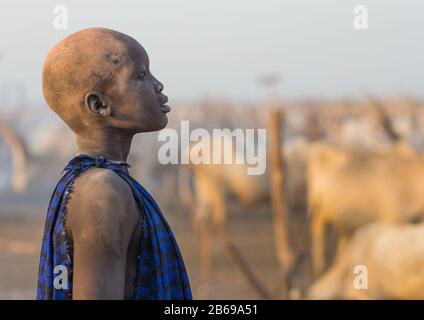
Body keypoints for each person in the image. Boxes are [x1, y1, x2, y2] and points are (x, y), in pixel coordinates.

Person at [37, 27, 192, 300]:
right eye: (141, 75)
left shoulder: (106, 183)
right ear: (99, 105)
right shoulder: (102, 193)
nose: (158, 85)